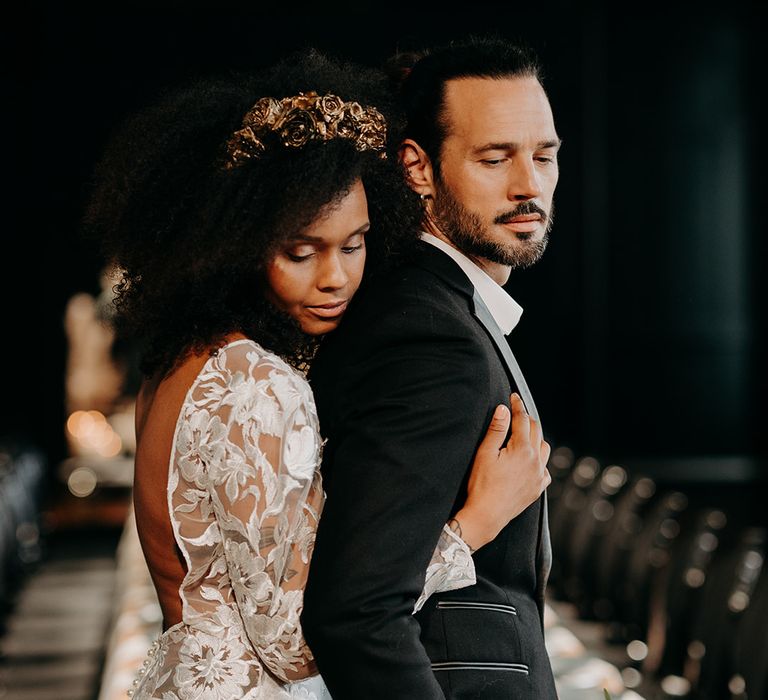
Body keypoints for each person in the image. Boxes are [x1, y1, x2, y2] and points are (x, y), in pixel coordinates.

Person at [83, 48, 551, 700]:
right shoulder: (261, 386)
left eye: (354, 244)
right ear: (240, 244)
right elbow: (299, 641)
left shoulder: (184, 361)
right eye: (301, 251)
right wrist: (475, 523)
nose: (335, 278)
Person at [301, 36, 560, 699]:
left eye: (544, 155)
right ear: (418, 167)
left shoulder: (437, 309)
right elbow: (356, 613)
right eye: (494, 158)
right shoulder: (427, 336)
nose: (529, 184)